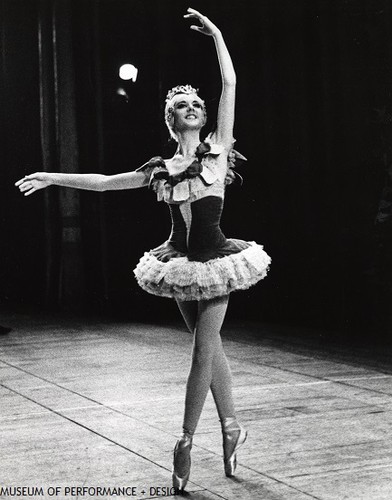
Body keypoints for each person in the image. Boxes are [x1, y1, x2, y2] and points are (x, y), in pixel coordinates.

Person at [16, 8, 271, 491]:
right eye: (182, 106)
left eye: (197, 103)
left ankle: (185, 440)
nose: (193, 107)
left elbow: (230, 85)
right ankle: (233, 429)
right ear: (171, 121)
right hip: (177, 263)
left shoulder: (218, 148)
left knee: (202, 349)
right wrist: (53, 176)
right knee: (210, 349)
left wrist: (216, 34)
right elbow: (107, 182)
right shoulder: (160, 168)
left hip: (216, 260)